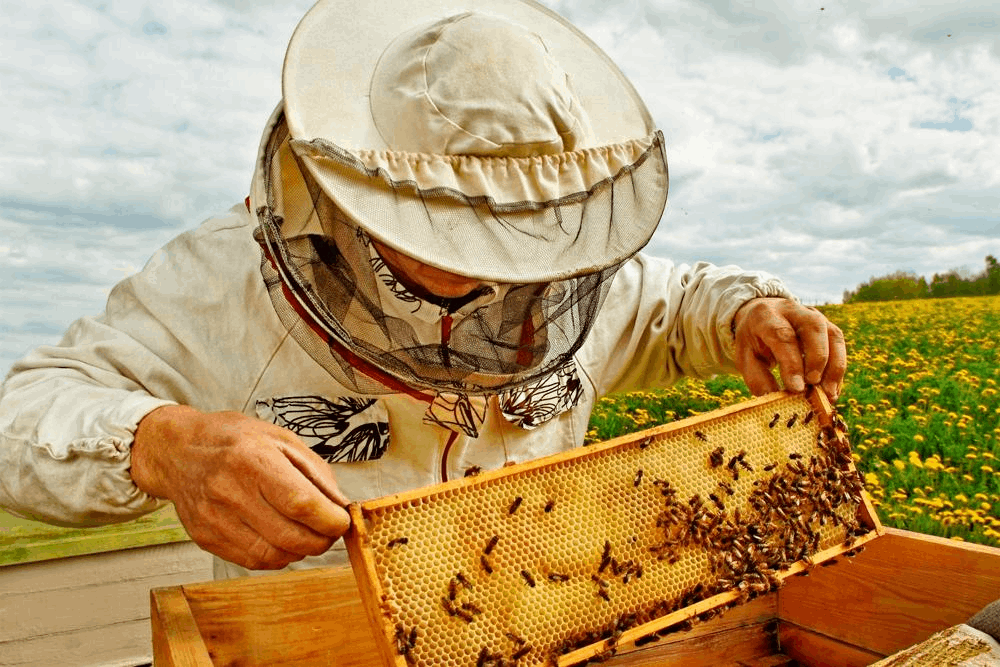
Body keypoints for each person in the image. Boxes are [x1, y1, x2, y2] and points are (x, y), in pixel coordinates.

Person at [0, 0, 845, 579]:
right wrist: (163, 442)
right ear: (358, 196)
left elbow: (670, 304)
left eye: (510, 234)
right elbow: (22, 413)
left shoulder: (562, 273)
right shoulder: (217, 279)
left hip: (545, 621)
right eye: (451, 232)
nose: (489, 270)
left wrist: (746, 310)